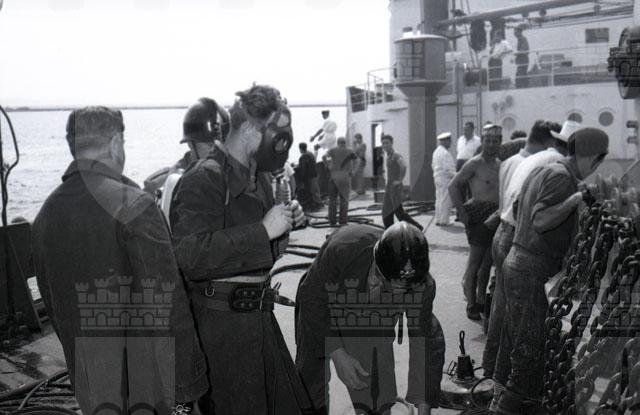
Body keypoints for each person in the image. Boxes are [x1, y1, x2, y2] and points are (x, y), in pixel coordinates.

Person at [32, 106, 208, 415]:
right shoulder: (134, 205)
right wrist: (187, 392)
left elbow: (56, 308)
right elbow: (168, 307)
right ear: (115, 143)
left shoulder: (45, 214)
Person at [170, 85, 311, 415]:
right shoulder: (204, 178)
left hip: (259, 322)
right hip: (224, 332)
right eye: (277, 130)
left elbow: (262, 255)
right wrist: (263, 230)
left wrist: (283, 227)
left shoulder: (256, 178)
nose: (283, 142)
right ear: (248, 128)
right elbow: (190, 256)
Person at [494, 128, 608, 414]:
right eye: (598, 162)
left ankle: (506, 401)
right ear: (592, 158)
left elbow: (518, 207)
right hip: (532, 268)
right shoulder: (562, 178)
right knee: (528, 353)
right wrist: (574, 200)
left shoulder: (544, 169)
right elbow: (541, 220)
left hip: (519, 260)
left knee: (519, 345)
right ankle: (505, 407)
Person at [295, 222, 445, 415]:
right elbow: (311, 297)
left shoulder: (423, 284)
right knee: (309, 388)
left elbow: (425, 340)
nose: (400, 291)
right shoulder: (344, 248)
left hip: (371, 321)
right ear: (378, 268)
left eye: (406, 287)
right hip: (321, 305)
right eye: (393, 284)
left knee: (376, 400)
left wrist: (424, 404)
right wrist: (337, 352)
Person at [482, 120, 559, 385]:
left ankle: (490, 368)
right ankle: (503, 378)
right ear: (550, 141)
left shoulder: (511, 162)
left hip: (502, 231)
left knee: (500, 305)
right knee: (512, 313)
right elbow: (521, 208)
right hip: (515, 234)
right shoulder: (542, 163)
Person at [448, 123, 501, 320]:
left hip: (495, 217)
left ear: (500, 142)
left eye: (495, 141)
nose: (491, 144)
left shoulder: (500, 164)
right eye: (488, 140)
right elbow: (453, 186)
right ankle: (471, 304)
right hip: (478, 217)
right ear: (483, 142)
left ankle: (480, 299)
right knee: (475, 262)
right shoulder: (474, 164)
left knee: (487, 263)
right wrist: (461, 211)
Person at [143, 97, 229, 200]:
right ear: (190, 144)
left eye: (222, 145)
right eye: (210, 145)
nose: (218, 151)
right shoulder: (168, 183)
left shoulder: (232, 175)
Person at [381, 134, 423, 231]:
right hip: (389, 186)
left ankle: (417, 227)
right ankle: (389, 230)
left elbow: (403, 166)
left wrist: (399, 180)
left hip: (395, 187)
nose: (385, 145)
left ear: (392, 143)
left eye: (387, 143)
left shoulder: (396, 155)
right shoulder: (388, 155)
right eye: (383, 143)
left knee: (399, 212)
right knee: (386, 211)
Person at [326, 137, 357, 226]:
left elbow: (325, 156)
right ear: (345, 143)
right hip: (345, 176)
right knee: (344, 199)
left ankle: (332, 221)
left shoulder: (333, 150)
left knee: (332, 199)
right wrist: (354, 171)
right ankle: (343, 221)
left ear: (338, 142)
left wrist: (328, 166)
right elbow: (357, 160)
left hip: (334, 176)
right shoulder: (349, 151)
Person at [432, 132, 456, 226]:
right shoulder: (445, 153)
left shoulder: (436, 152)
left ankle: (438, 219)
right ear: (445, 141)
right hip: (445, 178)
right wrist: (456, 175)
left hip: (437, 177)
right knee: (446, 199)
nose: (450, 143)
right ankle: (444, 220)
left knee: (439, 199)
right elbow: (448, 169)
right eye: (449, 141)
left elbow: (432, 165)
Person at [296, 142, 321, 211]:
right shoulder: (310, 153)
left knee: (313, 191)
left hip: (310, 177)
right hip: (315, 174)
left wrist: (301, 180)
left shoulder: (303, 156)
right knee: (316, 190)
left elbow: (303, 169)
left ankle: (317, 205)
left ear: (300, 149)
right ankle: (318, 204)